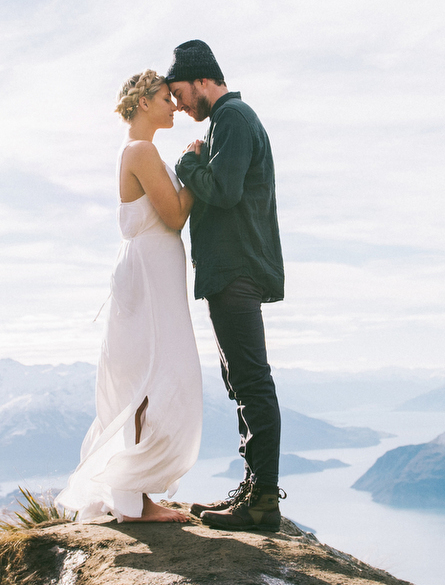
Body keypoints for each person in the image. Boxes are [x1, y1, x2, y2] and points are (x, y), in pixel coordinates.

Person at [56, 69, 203, 523]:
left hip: (153, 274)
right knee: (150, 379)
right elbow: (175, 215)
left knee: (150, 379)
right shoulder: (140, 151)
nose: (174, 105)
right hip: (148, 276)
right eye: (166, 98)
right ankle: (134, 499)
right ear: (143, 103)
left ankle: (133, 498)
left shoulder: (143, 151)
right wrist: (195, 169)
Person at [165, 40, 288, 533]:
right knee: (242, 381)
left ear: (200, 80)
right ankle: (254, 490)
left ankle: (261, 503)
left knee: (251, 382)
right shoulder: (225, 122)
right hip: (232, 270)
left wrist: (187, 165)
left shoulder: (233, 118)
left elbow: (225, 190)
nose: (178, 104)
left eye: (178, 93)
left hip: (236, 268)